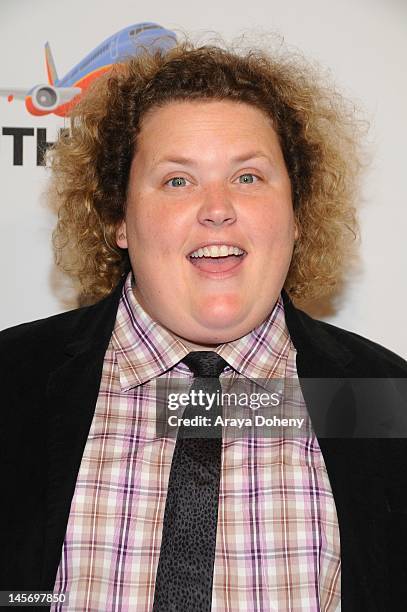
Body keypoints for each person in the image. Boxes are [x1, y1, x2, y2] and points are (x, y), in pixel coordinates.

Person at [1, 37, 406, 612]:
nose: (217, 207)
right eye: (177, 180)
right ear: (118, 218)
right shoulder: (12, 382)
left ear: (297, 213)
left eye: (247, 177)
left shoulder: (384, 397)